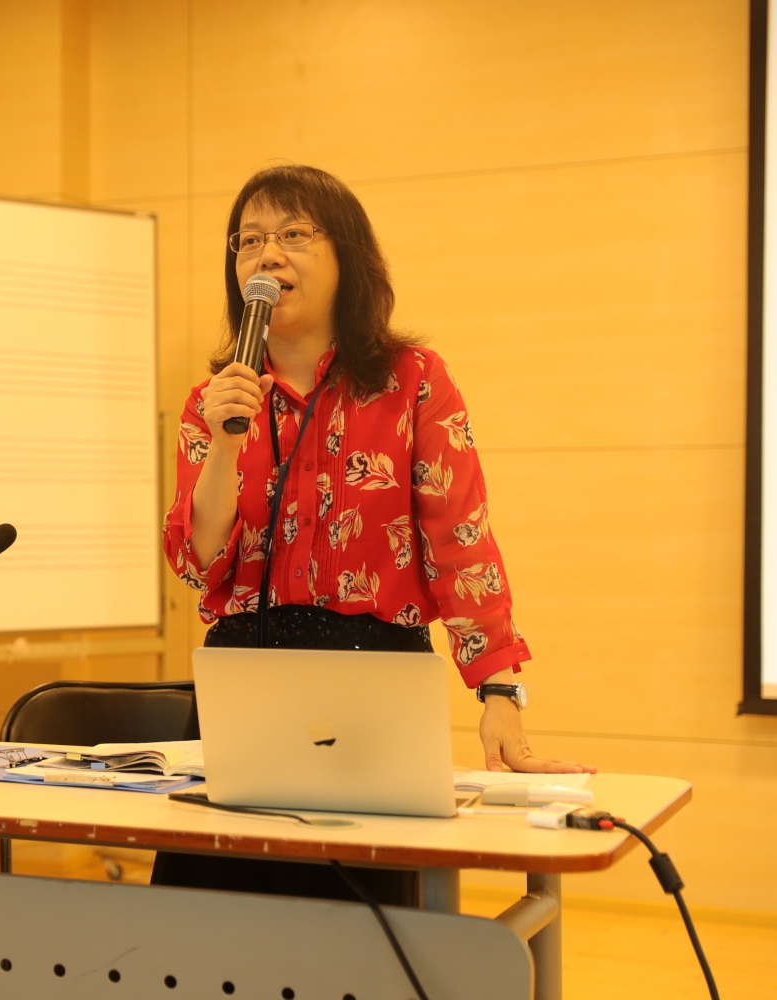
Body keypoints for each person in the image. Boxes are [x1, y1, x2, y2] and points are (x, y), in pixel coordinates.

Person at [156, 164, 592, 902]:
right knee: (217, 920)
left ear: (348, 256)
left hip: (375, 676)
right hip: (243, 679)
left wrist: (499, 692)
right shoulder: (215, 399)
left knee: (363, 921)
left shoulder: (411, 381)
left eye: (293, 235)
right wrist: (225, 447)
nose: (268, 256)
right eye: (250, 240)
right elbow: (198, 564)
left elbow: (461, 540)